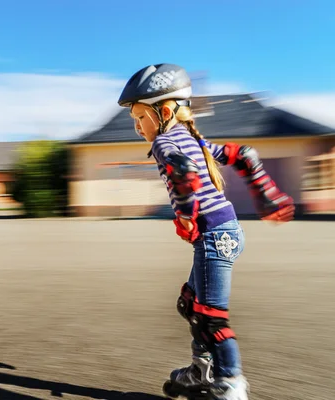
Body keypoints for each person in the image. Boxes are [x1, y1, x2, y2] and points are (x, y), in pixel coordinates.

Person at [117, 64, 295, 400]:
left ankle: (231, 382)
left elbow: (182, 173)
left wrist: (186, 215)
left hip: (214, 235)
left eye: (140, 117)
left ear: (164, 111)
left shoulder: (166, 141)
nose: (137, 126)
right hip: (224, 232)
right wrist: (265, 193)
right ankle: (203, 369)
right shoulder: (191, 138)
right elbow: (243, 155)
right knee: (192, 304)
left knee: (210, 316)